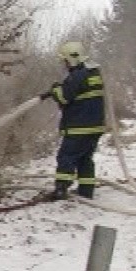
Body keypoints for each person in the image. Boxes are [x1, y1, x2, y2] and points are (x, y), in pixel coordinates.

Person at [40, 41, 106, 200]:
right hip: (95, 127)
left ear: (72, 59)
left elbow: (63, 97)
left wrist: (55, 89)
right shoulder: (93, 73)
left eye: (65, 60)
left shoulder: (77, 76)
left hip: (79, 126)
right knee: (85, 158)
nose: (64, 64)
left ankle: (61, 190)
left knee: (66, 156)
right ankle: (86, 190)